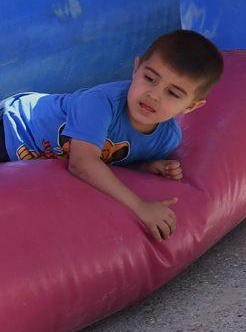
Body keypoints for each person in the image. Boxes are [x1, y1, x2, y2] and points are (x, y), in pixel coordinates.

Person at [1, 29, 225, 241]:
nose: (154, 95)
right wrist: (141, 207)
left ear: (191, 106)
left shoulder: (166, 139)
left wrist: (146, 168)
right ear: (136, 68)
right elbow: (82, 163)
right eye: (150, 79)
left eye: (172, 93)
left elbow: (118, 161)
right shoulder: (100, 102)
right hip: (15, 127)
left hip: (33, 157)